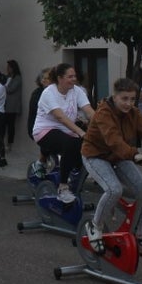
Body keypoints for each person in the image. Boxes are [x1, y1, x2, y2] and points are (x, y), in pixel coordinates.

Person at [81, 78, 142, 256]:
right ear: (115, 96)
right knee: (114, 190)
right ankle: (94, 226)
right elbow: (113, 140)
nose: (129, 103)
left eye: (132, 99)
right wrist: (135, 154)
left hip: (120, 156)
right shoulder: (104, 113)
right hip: (95, 155)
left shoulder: (133, 113)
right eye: (124, 99)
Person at [31, 63, 95, 204]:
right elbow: (61, 117)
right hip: (45, 130)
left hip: (66, 131)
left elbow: (89, 110)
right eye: (70, 76)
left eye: (75, 76)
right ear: (59, 78)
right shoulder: (49, 92)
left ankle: (74, 177)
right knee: (71, 144)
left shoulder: (77, 91)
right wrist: (81, 132)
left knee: (87, 148)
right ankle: (63, 187)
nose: (73, 79)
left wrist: (103, 124)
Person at [2, 60, 23, 152]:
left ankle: (9, 144)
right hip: (4, 105)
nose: (7, 69)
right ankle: (1, 143)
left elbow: (11, 89)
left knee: (10, 125)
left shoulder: (17, 78)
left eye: (9, 67)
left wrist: (2, 87)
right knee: (2, 125)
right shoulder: (6, 77)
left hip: (12, 105)